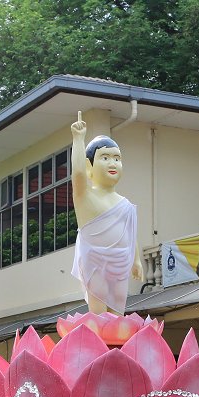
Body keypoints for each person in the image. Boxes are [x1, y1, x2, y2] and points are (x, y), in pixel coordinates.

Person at [70, 111, 143, 315]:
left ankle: (116, 344)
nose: (112, 163)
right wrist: (78, 139)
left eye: (116, 158)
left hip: (120, 262)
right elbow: (77, 175)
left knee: (119, 305)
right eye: (105, 157)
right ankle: (99, 343)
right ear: (89, 166)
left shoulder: (125, 204)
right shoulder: (86, 197)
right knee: (99, 308)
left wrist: (136, 260)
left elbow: (131, 234)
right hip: (95, 261)